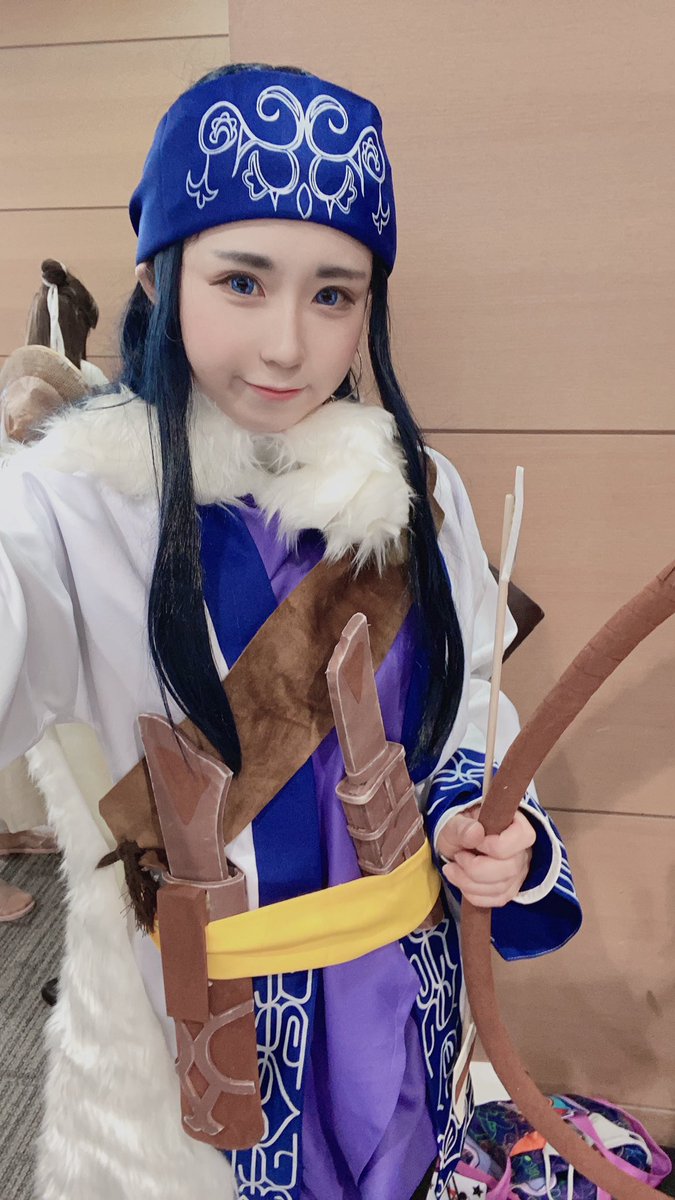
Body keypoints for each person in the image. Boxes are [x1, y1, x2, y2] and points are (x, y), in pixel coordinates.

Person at [0, 63, 581, 1200]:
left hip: (400, 1000)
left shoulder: (420, 494)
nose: (286, 345)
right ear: (158, 277)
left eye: (333, 295)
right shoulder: (68, 507)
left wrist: (488, 823)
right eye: (241, 281)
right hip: (197, 1036)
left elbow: (467, 706)